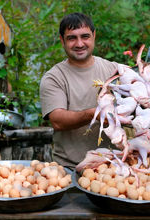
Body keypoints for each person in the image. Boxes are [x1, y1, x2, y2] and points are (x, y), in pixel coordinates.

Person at [40, 12, 118, 169]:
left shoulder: (114, 70)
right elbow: (57, 120)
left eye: (85, 36)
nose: (79, 43)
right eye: (72, 38)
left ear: (94, 36)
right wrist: (93, 114)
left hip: (113, 167)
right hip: (70, 170)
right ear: (62, 40)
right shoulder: (54, 77)